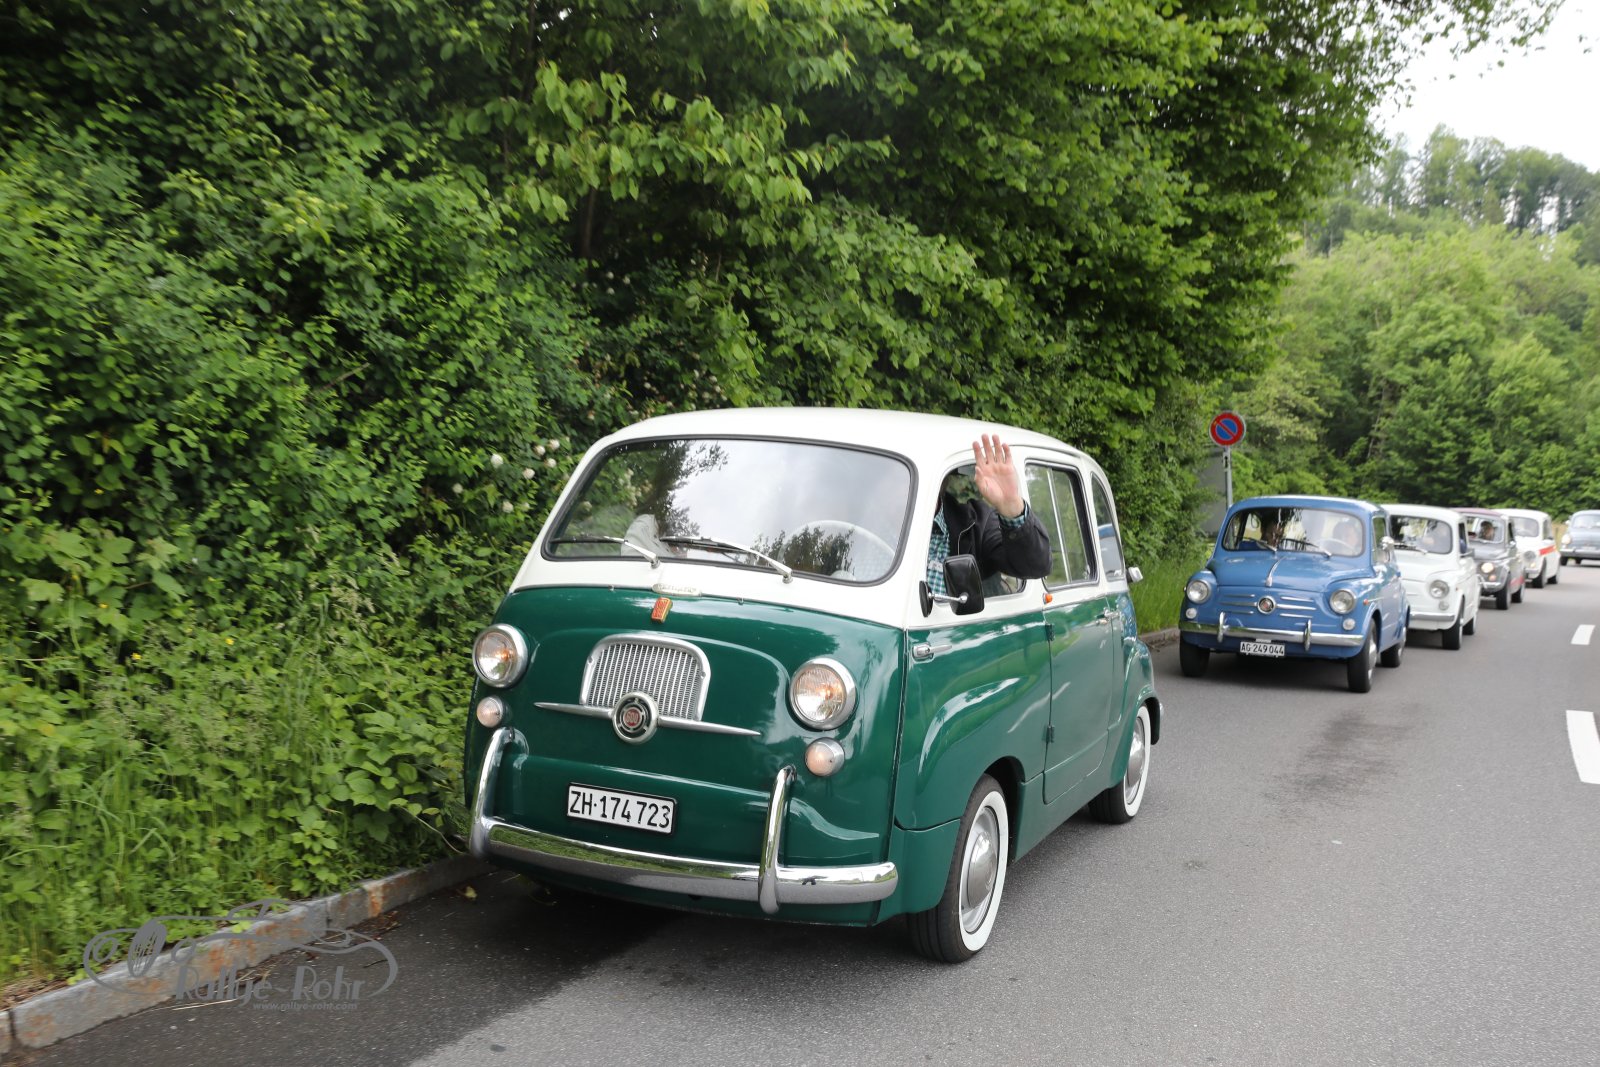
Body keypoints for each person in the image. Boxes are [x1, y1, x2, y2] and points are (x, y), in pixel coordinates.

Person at [926, 435, 1051, 595]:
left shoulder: (976, 524)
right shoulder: (892, 529)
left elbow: (1035, 566)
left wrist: (1011, 505)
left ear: (940, 483)